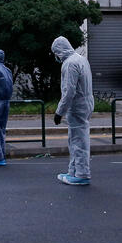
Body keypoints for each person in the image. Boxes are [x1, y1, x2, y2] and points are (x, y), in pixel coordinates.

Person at [52, 36, 95, 186]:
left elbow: (69, 91)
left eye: (55, 53)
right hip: (86, 103)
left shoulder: (69, 64)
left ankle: (82, 174)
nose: (56, 57)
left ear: (59, 51)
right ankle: (73, 170)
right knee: (75, 139)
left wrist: (59, 112)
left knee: (78, 141)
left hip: (77, 106)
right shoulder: (81, 59)